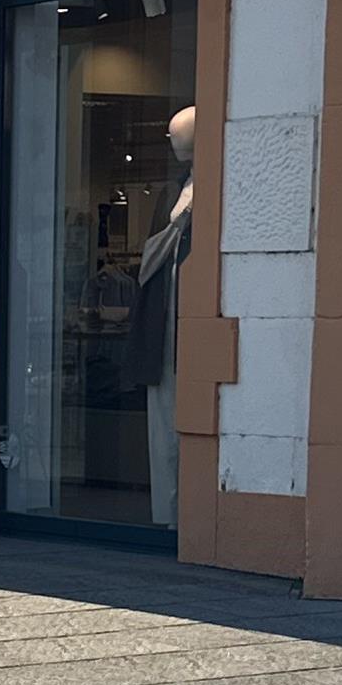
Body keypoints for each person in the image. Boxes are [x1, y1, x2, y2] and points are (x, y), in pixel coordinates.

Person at [128, 103, 202, 535]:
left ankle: (189, 515)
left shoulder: (209, 189)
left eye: (180, 134)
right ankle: (167, 515)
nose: (175, 142)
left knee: (190, 416)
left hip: (190, 315)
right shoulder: (172, 192)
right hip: (163, 316)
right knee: (163, 418)